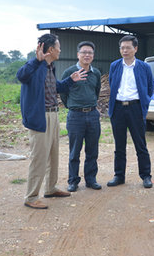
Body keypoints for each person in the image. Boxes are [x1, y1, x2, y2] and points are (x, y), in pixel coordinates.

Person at [16, 33, 86, 210]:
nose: (60, 50)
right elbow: (21, 76)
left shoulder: (50, 67)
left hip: (53, 115)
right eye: (58, 47)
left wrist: (70, 80)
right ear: (51, 49)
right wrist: (36, 61)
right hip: (40, 117)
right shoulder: (34, 66)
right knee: (39, 158)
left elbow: (56, 88)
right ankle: (31, 197)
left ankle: (50, 188)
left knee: (53, 155)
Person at [106, 35, 154, 189]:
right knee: (119, 145)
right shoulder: (115, 66)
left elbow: (150, 87)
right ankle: (119, 175)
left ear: (135, 49)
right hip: (118, 108)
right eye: (122, 48)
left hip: (135, 108)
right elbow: (112, 84)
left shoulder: (144, 67)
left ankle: (146, 176)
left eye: (128, 47)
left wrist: (144, 103)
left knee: (140, 144)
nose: (125, 50)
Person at [60, 41, 103, 192]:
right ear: (78, 54)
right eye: (84, 52)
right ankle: (73, 181)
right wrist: (72, 106)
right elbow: (63, 93)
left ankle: (91, 180)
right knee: (74, 151)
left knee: (92, 150)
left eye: (90, 52)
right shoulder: (70, 72)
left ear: (93, 56)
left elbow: (96, 91)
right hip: (75, 116)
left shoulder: (96, 73)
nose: (87, 55)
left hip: (92, 114)